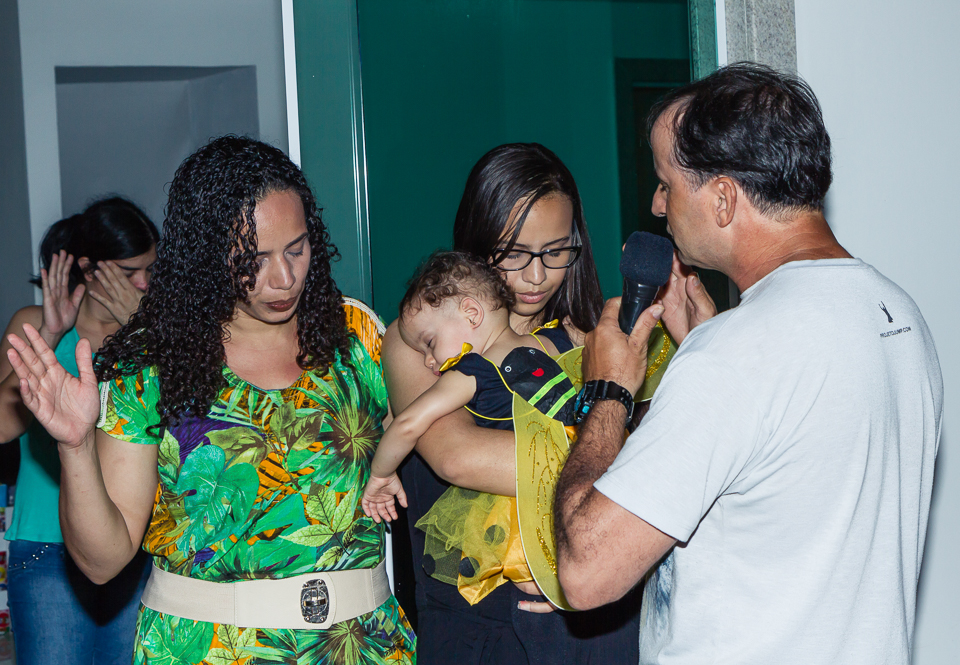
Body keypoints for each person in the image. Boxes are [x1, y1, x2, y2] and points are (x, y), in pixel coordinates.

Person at [554, 63, 943, 665]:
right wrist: (709, 349)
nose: (658, 205)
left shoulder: (736, 357)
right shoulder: (898, 313)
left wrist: (608, 389)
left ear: (725, 198)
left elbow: (586, 570)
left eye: (667, 183)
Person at [6, 136, 416, 664]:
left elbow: (437, 466)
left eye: (296, 248)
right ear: (206, 255)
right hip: (208, 649)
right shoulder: (148, 363)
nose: (284, 278)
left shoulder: (358, 334)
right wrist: (76, 444)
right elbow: (102, 562)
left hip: (365, 646)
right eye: (254, 259)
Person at [382, 143, 642, 664]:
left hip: (589, 621)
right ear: (477, 245)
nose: (536, 275)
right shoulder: (421, 339)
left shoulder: (593, 342)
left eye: (555, 252)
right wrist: (621, 460)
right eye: (514, 253)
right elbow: (457, 456)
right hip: (480, 633)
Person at [363, 251, 578, 607]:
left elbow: (408, 424)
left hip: (531, 508)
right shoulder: (557, 340)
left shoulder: (475, 372)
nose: (430, 361)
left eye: (430, 343)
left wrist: (380, 474)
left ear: (471, 313)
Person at [0, 197, 158, 665]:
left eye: (152, 268)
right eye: (131, 271)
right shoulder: (33, 325)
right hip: (46, 550)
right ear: (89, 270)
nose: (145, 283)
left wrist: (142, 329)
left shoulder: (154, 334)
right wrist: (50, 334)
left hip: (133, 546)